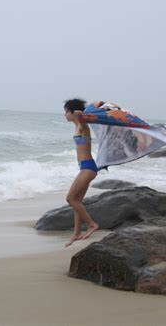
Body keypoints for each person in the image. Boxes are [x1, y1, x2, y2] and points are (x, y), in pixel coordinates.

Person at [63, 98, 99, 247]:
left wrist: (78, 111)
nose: (64, 115)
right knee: (77, 201)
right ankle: (77, 233)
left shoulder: (82, 126)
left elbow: (80, 115)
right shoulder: (77, 126)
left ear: (72, 112)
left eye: (66, 112)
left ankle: (91, 224)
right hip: (85, 167)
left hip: (88, 168)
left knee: (70, 199)